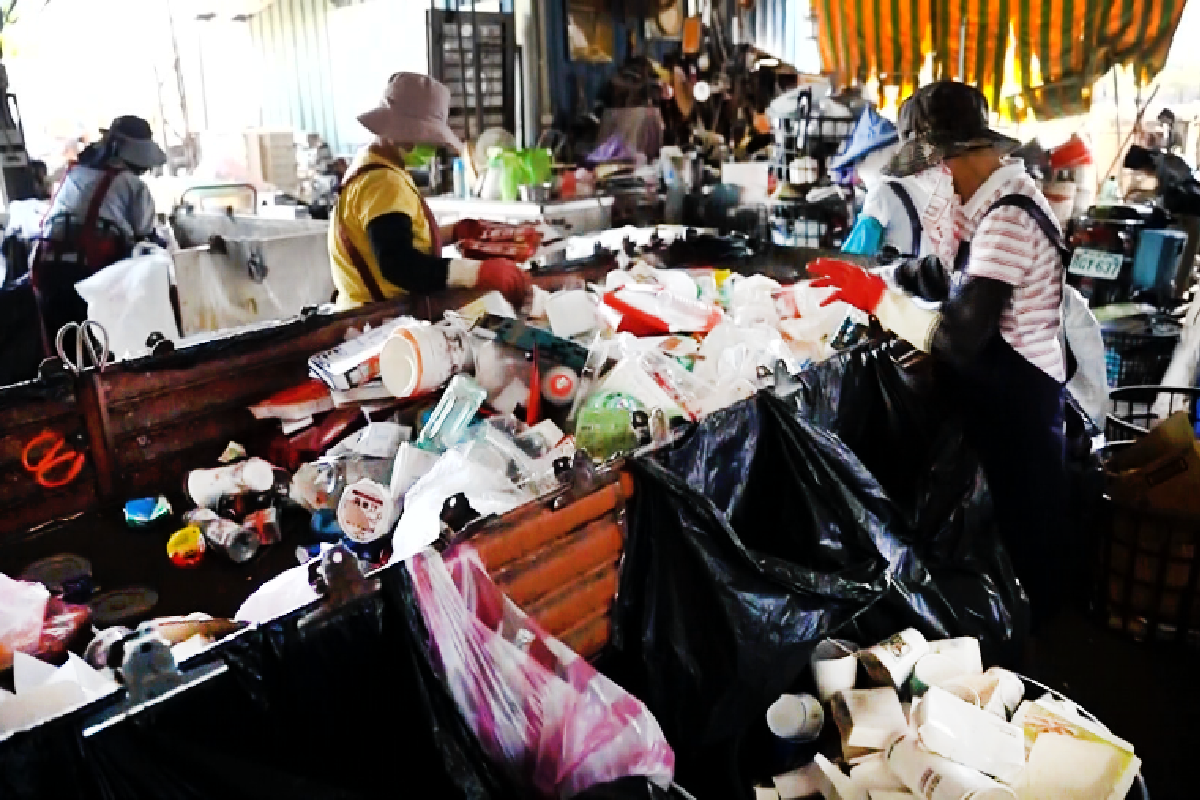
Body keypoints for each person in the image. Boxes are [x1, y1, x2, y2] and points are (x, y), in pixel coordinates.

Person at [811, 81, 1068, 632]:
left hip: (1021, 403)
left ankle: (1034, 666)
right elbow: (947, 278)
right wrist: (879, 275)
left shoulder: (1009, 219)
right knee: (999, 540)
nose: (939, 180)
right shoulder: (991, 204)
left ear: (961, 155)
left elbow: (959, 338)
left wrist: (878, 300)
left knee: (1027, 540)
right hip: (1002, 395)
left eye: (940, 164)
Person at [329, 72, 530, 311]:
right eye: (428, 140)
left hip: (365, 309)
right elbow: (398, 264)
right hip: (379, 319)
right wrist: (476, 273)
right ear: (404, 133)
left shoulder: (372, 163)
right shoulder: (384, 182)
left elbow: (391, 235)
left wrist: (454, 231)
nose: (432, 149)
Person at [32, 115, 166, 344]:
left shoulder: (75, 173)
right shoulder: (132, 186)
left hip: (46, 271)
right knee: (98, 351)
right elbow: (145, 237)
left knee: (64, 352)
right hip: (89, 275)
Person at [833, 106, 935, 260]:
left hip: (898, 280)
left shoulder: (881, 192)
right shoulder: (923, 184)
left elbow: (854, 255)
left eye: (860, 160)